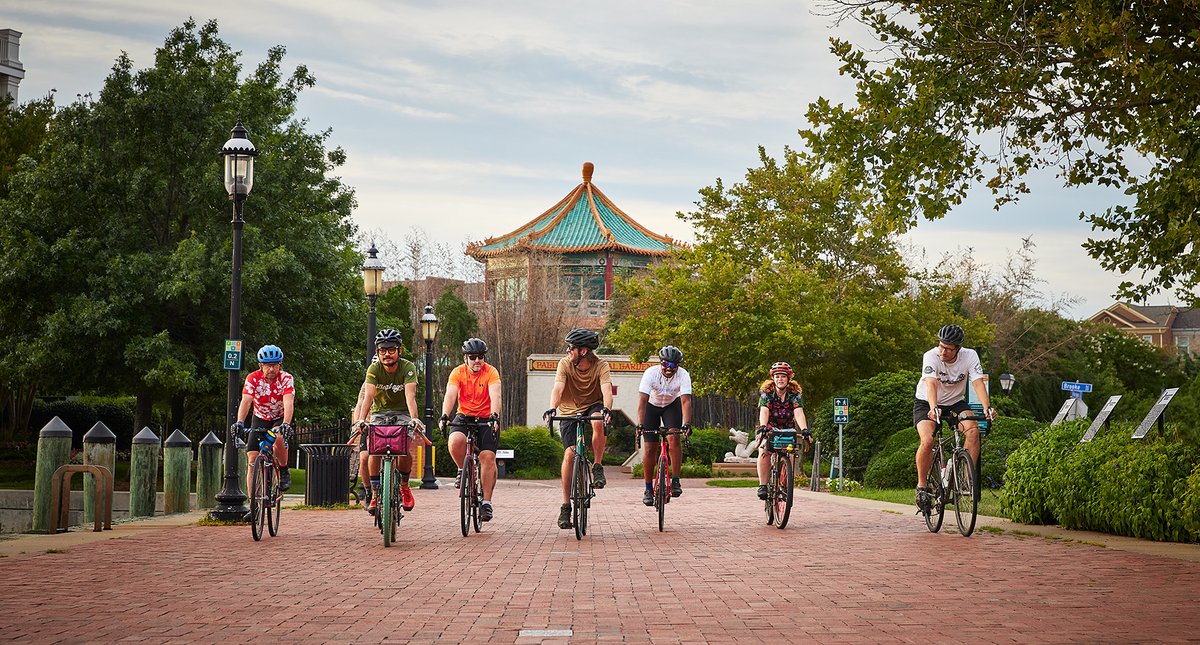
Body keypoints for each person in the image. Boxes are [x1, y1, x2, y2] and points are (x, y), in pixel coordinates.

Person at [914, 324, 995, 509]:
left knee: (973, 431)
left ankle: (966, 480)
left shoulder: (970, 356)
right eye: (941, 346)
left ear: (958, 349)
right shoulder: (930, 356)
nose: (943, 352)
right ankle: (922, 486)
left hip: (955, 403)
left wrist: (987, 407)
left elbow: (977, 383)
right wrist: (934, 408)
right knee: (927, 441)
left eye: (948, 349)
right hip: (927, 401)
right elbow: (931, 384)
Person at [349, 328, 424, 515]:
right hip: (379, 414)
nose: (387, 354)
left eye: (391, 349)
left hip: (403, 413)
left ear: (399, 350)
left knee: (404, 448)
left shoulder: (408, 368)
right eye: (383, 350)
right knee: (374, 450)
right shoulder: (374, 369)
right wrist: (360, 421)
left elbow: (410, 396)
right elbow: (367, 397)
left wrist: (414, 418)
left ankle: (404, 486)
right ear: (377, 352)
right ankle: (375, 493)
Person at [544, 328, 612, 530]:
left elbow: (606, 389)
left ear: (583, 351)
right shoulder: (565, 364)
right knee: (569, 455)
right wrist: (552, 408)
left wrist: (607, 408)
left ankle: (597, 466)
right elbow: (557, 388)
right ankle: (566, 506)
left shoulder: (601, 365)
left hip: (593, 405)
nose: (567, 351)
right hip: (568, 409)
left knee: (598, 420)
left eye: (570, 348)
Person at [440, 337, 502, 522]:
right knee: (455, 442)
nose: (477, 361)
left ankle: (487, 503)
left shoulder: (491, 372)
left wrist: (494, 416)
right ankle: (462, 469)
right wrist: (445, 415)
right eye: (473, 357)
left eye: (480, 357)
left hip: (486, 417)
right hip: (465, 415)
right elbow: (450, 395)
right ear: (465, 358)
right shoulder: (457, 372)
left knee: (487, 457)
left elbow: (496, 395)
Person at [235, 345, 295, 507]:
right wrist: (240, 421)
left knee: (279, 437)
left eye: (275, 365)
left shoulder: (286, 378)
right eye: (268, 365)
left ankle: (283, 470)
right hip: (260, 417)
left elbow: (289, 401)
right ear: (260, 365)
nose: (271, 369)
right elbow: (246, 401)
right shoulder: (252, 378)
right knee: (252, 460)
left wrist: (286, 424)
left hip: (279, 417)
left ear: (280, 365)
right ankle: (253, 505)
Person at [636, 345, 693, 506]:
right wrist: (640, 424)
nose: (669, 368)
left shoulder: (683, 375)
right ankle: (648, 488)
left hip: (671, 406)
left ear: (678, 366)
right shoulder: (650, 373)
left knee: (674, 439)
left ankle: (675, 480)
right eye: (666, 364)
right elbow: (642, 401)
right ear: (660, 363)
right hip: (651, 407)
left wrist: (686, 423)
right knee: (650, 448)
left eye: (673, 365)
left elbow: (685, 400)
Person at [756, 361, 811, 500]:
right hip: (769, 427)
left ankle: (784, 484)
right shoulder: (767, 393)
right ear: (773, 378)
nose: (780, 379)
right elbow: (764, 411)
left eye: (783, 376)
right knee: (764, 450)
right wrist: (763, 427)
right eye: (777, 376)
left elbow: (798, 412)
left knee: (790, 453)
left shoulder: (794, 394)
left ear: (788, 378)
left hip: (787, 427)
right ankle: (763, 485)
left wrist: (804, 430)